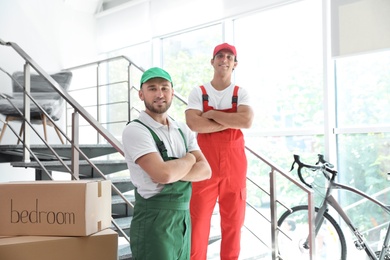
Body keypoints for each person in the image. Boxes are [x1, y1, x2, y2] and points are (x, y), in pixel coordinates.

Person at [122, 67, 211, 260]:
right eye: (152, 88)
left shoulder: (182, 129)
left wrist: (173, 169)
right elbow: (163, 175)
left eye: (164, 88)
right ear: (141, 94)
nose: (159, 94)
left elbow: (206, 170)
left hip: (183, 220)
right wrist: (189, 159)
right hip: (154, 223)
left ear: (172, 92)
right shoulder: (136, 130)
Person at [185, 43, 254, 260]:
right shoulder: (199, 92)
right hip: (204, 165)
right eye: (220, 56)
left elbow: (246, 120)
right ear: (212, 61)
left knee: (233, 224)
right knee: (198, 223)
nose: (224, 59)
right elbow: (194, 124)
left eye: (229, 57)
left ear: (235, 64)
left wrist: (212, 114)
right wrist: (230, 121)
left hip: (234, 167)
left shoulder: (240, 93)